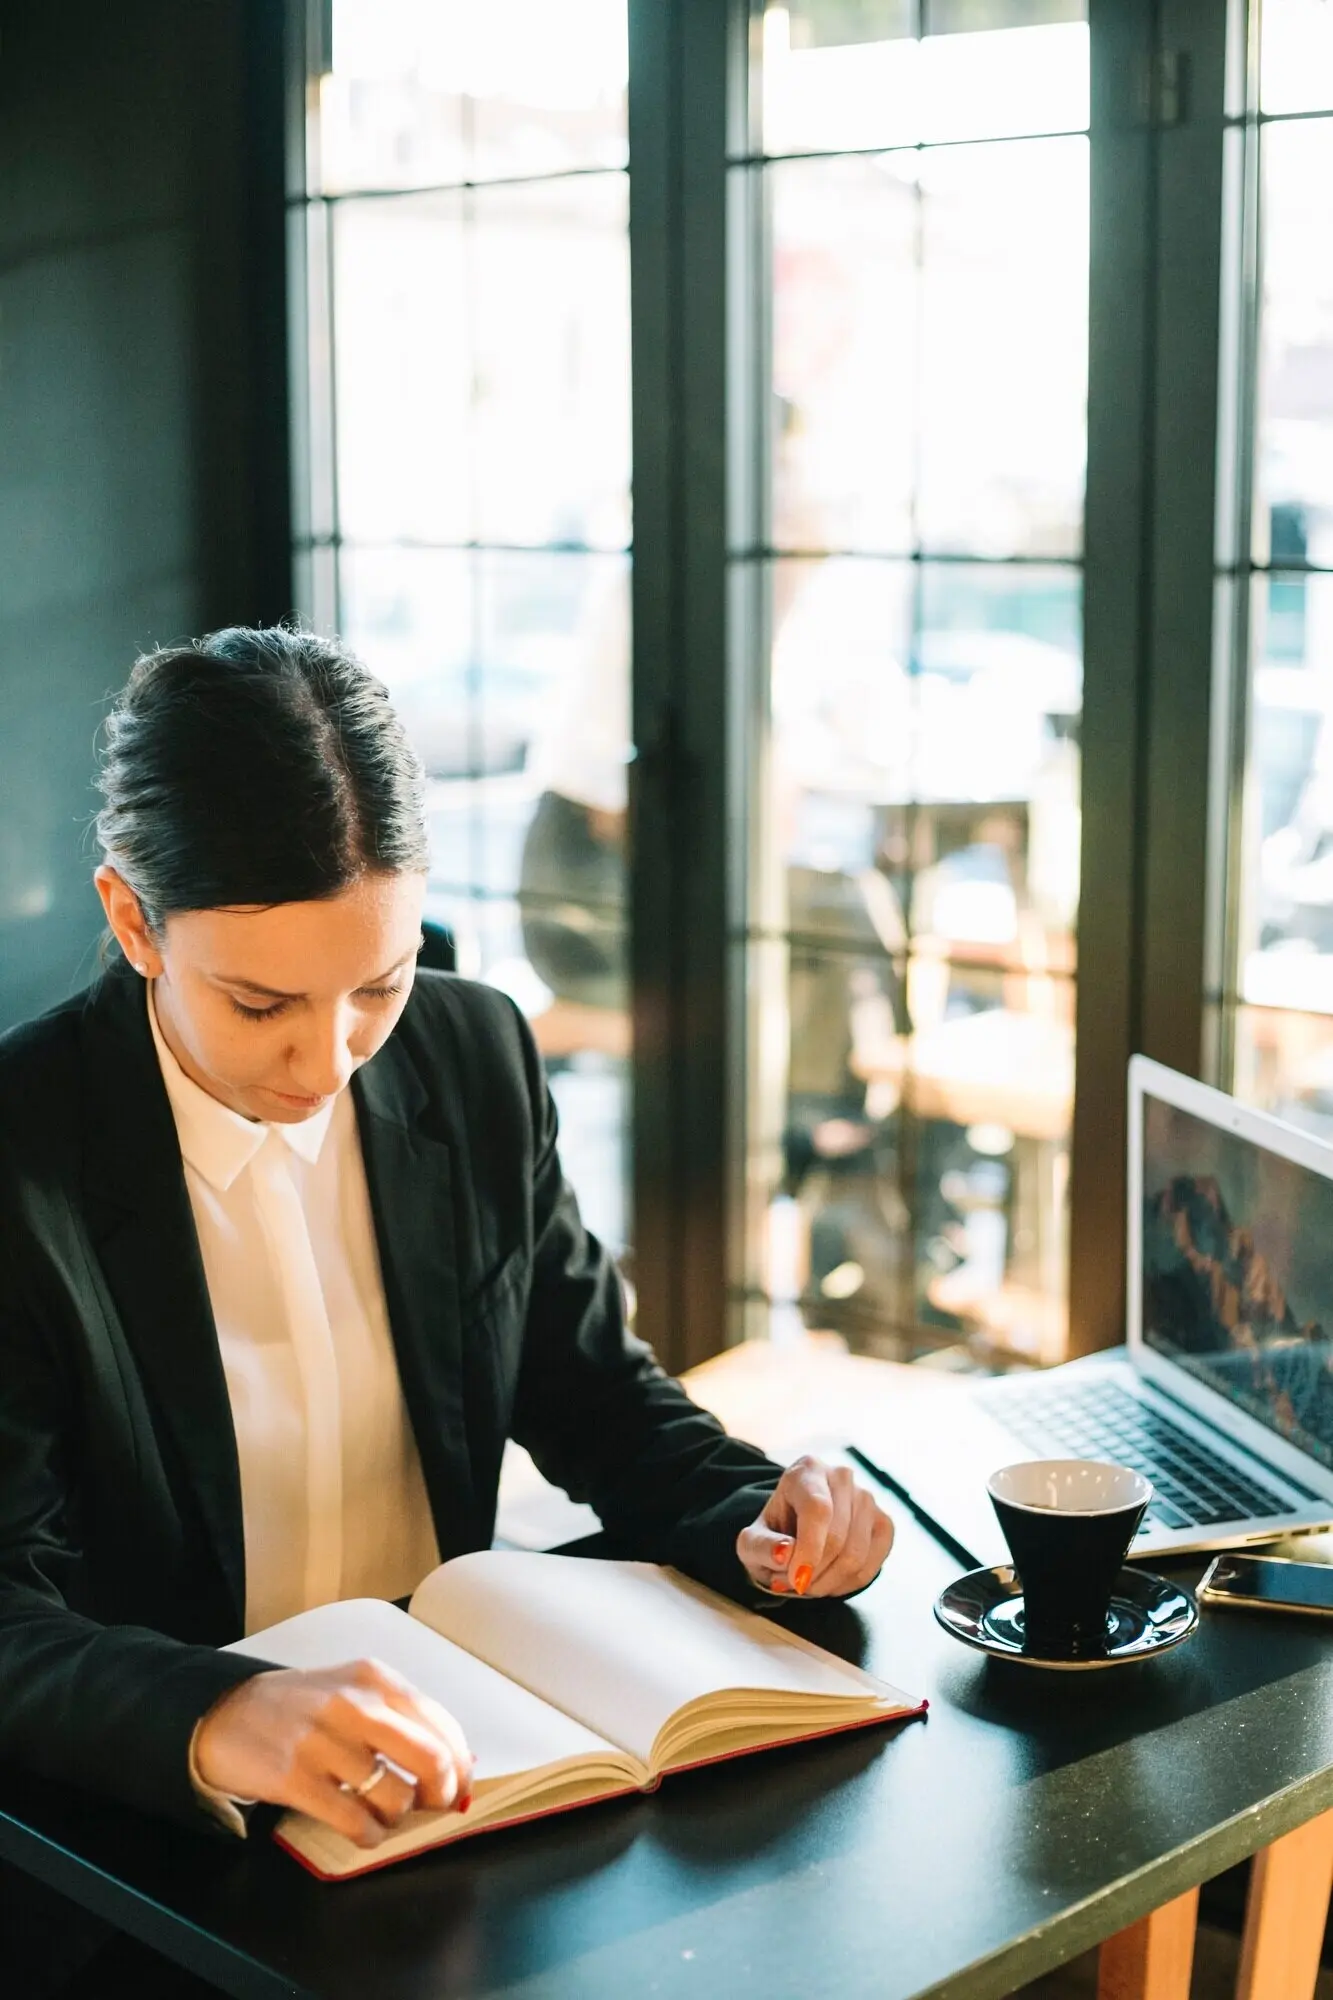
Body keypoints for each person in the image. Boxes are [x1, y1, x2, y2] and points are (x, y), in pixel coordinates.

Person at [0, 629, 894, 1941]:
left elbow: (593, 1395)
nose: (327, 1061)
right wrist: (216, 1711)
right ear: (134, 920)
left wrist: (760, 1512)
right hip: (159, 1861)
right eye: (260, 1005)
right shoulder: (24, 1151)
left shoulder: (472, 1054)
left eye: (378, 982)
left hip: (460, 1800)